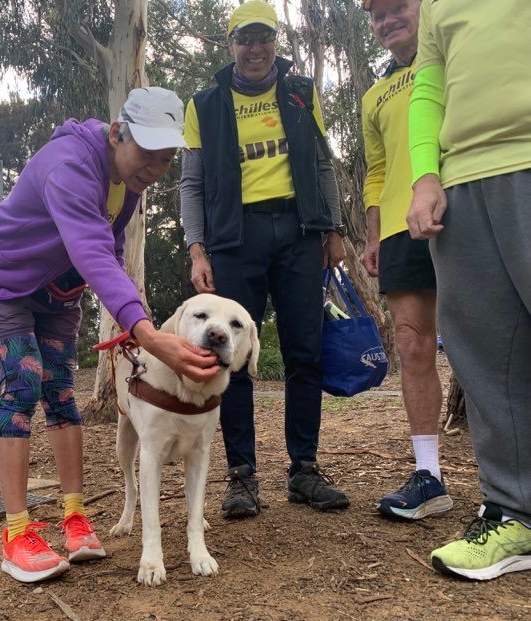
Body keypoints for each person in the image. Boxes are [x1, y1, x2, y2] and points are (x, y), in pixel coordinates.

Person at [0, 87, 220, 583]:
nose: (153, 167)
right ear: (116, 133)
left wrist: (135, 320)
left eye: (166, 159)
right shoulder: (69, 164)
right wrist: (147, 334)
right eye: (147, 152)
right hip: (4, 283)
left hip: (58, 293)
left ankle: (75, 515)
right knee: (22, 382)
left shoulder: (128, 183)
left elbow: (113, 251)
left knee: (61, 392)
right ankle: (17, 531)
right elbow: (91, 251)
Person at [180, 0, 349, 519]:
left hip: (298, 233)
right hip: (235, 238)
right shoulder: (205, 103)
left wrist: (333, 227)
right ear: (229, 44)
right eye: (244, 39)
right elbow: (192, 181)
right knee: (227, 359)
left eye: (263, 38)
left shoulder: (301, 93)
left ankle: (304, 470)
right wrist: (197, 247)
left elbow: (323, 162)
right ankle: (242, 478)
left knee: (305, 352)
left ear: (276, 41)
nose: (255, 49)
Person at [407, 0, 531, 580]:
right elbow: (429, 89)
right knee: (485, 355)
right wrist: (425, 174)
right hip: (463, 181)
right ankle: (512, 513)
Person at [360, 0, 451, 521]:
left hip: (462, 205)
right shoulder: (373, 94)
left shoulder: (451, 58)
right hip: (399, 227)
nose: (387, 20)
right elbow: (377, 169)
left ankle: (510, 478)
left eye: (398, 8)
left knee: (487, 339)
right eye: (377, 16)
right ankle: (429, 477)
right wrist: (373, 235)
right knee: (413, 344)